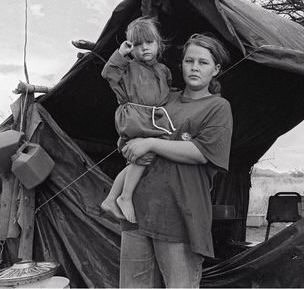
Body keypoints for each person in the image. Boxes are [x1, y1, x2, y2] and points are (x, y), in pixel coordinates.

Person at [119, 33, 233, 288]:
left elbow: (203, 152)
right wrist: (129, 145)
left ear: (216, 69)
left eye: (203, 63)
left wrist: (150, 144)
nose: (194, 67)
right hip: (138, 211)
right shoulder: (163, 98)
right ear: (180, 64)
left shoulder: (218, 107)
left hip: (180, 217)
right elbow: (134, 124)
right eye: (189, 60)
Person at [100, 17, 175, 223]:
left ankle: (112, 198)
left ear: (159, 43)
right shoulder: (127, 67)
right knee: (145, 154)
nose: (144, 49)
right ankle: (124, 196)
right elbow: (108, 73)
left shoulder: (163, 70)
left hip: (154, 117)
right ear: (131, 49)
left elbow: (166, 93)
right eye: (138, 45)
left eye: (149, 43)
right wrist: (121, 54)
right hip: (135, 115)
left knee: (142, 158)